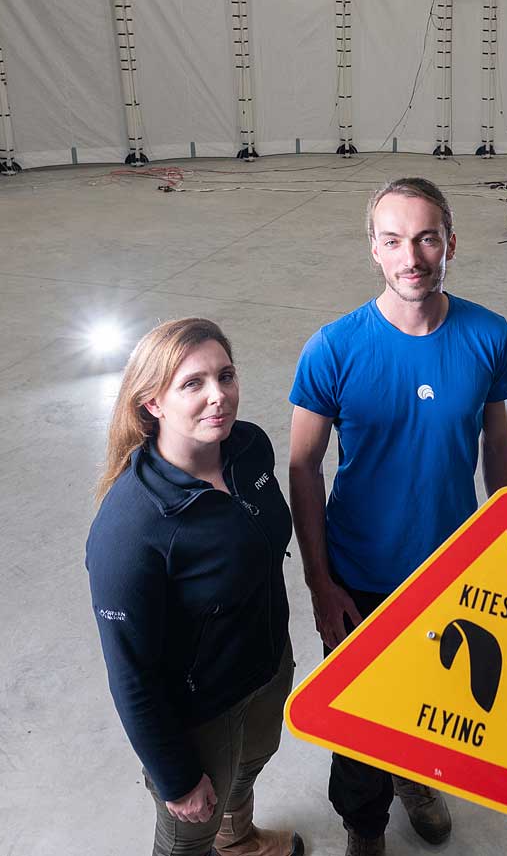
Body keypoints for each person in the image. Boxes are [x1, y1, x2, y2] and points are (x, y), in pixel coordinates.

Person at [289, 177, 507, 856]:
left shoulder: (488, 334)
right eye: (393, 240)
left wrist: (504, 545)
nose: (411, 256)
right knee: (360, 721)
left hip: (451, 572)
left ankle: (418, 779)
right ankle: (365, 827)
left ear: (451, 242)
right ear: (374, 249)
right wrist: (318, 582)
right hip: (360, 570)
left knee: (434, 699)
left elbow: (498, 436)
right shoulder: (333, 348)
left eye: (426, 238)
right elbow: (303, 466)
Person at [87, 318, 303, 856]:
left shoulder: (248, 448)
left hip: (266, 663)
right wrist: (176, 776)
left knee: (249, 766)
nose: (218, 397)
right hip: (200, 710)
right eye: (193, 384)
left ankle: (238, 839)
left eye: (225, 376)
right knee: (188, 838)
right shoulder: (132, 526)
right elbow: (130, 674)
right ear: (152, 403)